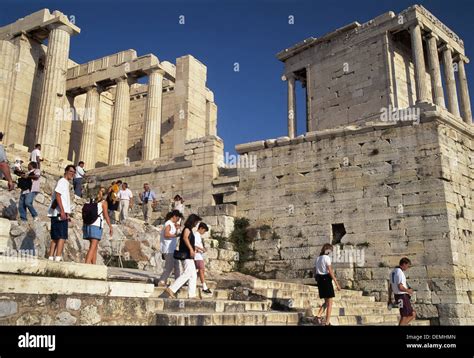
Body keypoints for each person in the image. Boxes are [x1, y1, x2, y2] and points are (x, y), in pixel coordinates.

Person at [165, 214, 202, 299]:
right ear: (193, 221)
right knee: (188, 273)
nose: (197, 224)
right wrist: (191, 249)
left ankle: (192, 295)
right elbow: (185, 238)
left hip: (189, 255)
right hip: (186, 254)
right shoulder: (187, 229)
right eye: (196, 222)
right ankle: (171, 289)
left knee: (193, 275)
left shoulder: (189, 230)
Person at [47, 165, 76, 262]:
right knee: (62, 236)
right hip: (59, 213)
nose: (72, 174)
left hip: (58, 213)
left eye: (74, 172)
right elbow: (58, 195)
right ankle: (58, 258)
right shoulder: (62, 182)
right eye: (71, 171)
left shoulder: (65, 183)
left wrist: (67, 214)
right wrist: (63, 212)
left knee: (55, 237)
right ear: (66, 171)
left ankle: (51, 258)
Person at [83, 187, 113, 264]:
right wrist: (110, 226)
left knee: (95, 247)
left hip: (88, 224)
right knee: (93, 247)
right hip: (96, 225)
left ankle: (93, 265)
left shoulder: (91, 201)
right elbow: (106, 215)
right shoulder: (104, 202)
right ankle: (86, 265)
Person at [314, 243, 341, 326]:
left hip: (320, 280)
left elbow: (314, 270)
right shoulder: (327, 258)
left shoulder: (318, 258)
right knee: (330, 303)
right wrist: (337, 283)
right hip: (326, 280)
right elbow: (331, 272)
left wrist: (316, 278)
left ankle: (318, 316)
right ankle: (327, 322)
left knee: (326, 302)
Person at [157, 210, 183, 286]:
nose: (178, 220)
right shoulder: (168, 223)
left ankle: (178, 283)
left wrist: (177, 229)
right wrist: (177, 235)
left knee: (177, 266)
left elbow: (172, 234)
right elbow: (166, 234)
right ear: (174, 216)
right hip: (168, 249)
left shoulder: (171, 224)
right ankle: (161, 281)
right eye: (178, 219)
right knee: (169, 267)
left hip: (172, 249)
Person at [388, 257, 416, 326]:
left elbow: (390, 287)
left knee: (411, 314)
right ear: (404, 264)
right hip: (403, 296)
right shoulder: (400, 272)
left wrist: (389, 298)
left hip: (397, 296)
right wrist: (408, 290)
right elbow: (400, 287)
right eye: (408, 265)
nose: (408, 267)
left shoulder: (392, 272)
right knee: (405, 316)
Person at [194, 222, 211, 294]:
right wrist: (202, 249)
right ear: (201, 228)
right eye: (204, 231)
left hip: (199, 255)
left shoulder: (198, 235)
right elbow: (194, 245)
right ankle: (204, 287)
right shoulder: (195, 235)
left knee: (198, 270)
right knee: (201, 270)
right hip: (197, 255)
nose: (203, 233)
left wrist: (202, 249)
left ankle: (203, 286)